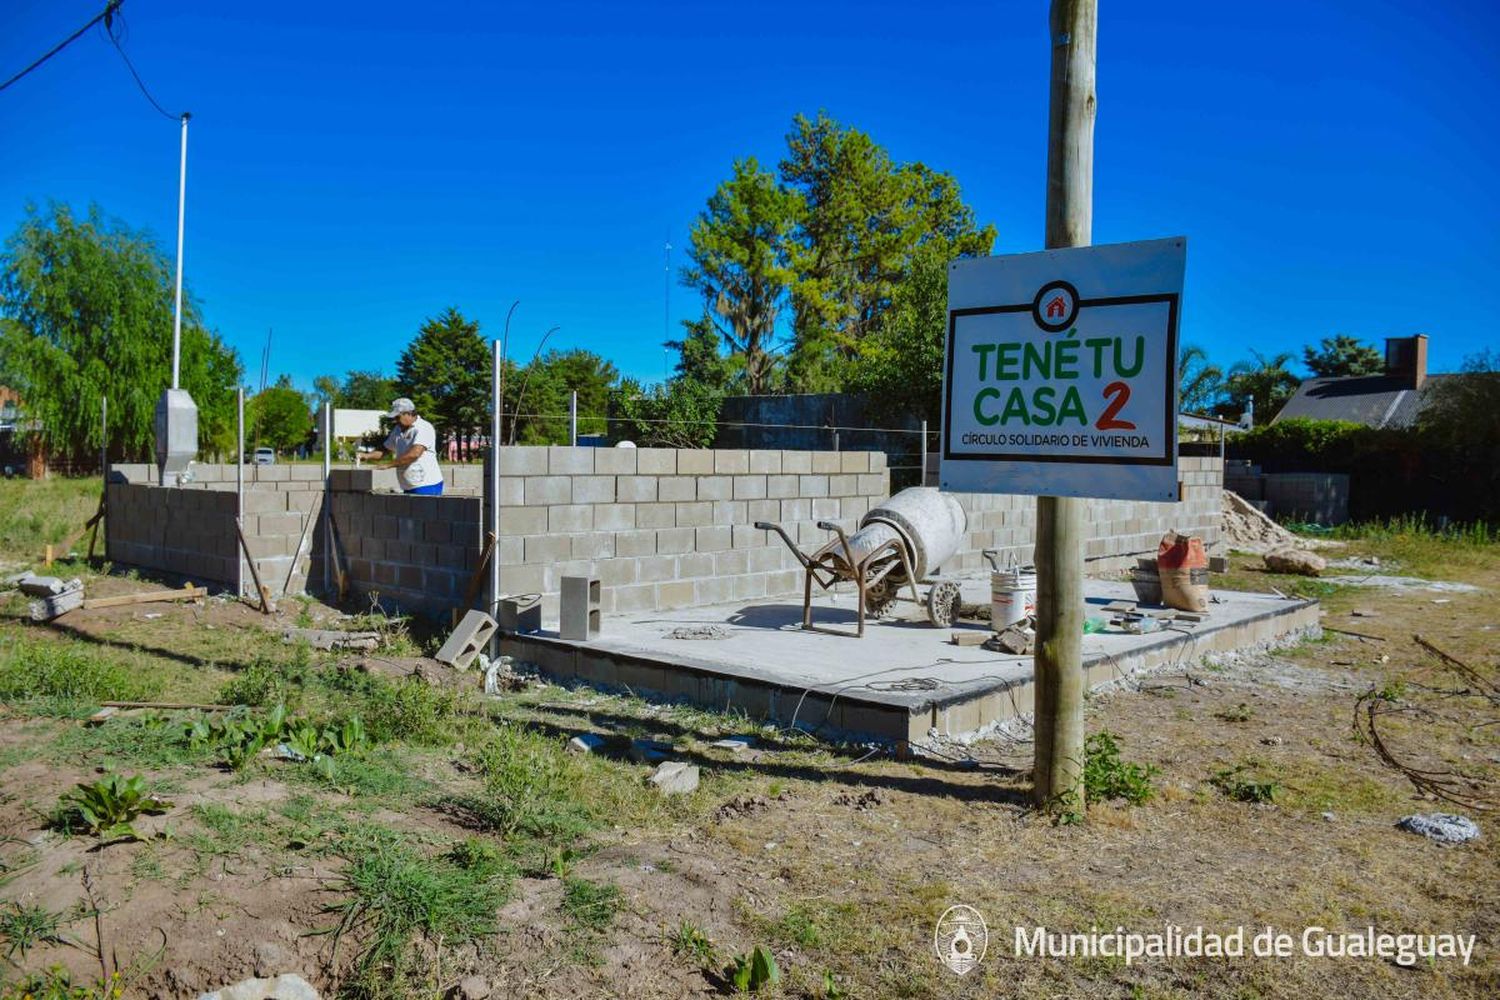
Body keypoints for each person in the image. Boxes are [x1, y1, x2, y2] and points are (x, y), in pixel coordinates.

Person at [371, 398, 444, 494]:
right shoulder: (398, 430)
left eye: (397, 417)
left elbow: (414, 454)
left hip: (427, 485)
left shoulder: (423, 427)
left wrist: (388, 465)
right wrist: (365, 456)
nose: (395, 421)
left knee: (424, 509)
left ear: (409, 413)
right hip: (408, 486)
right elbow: (385, 450)